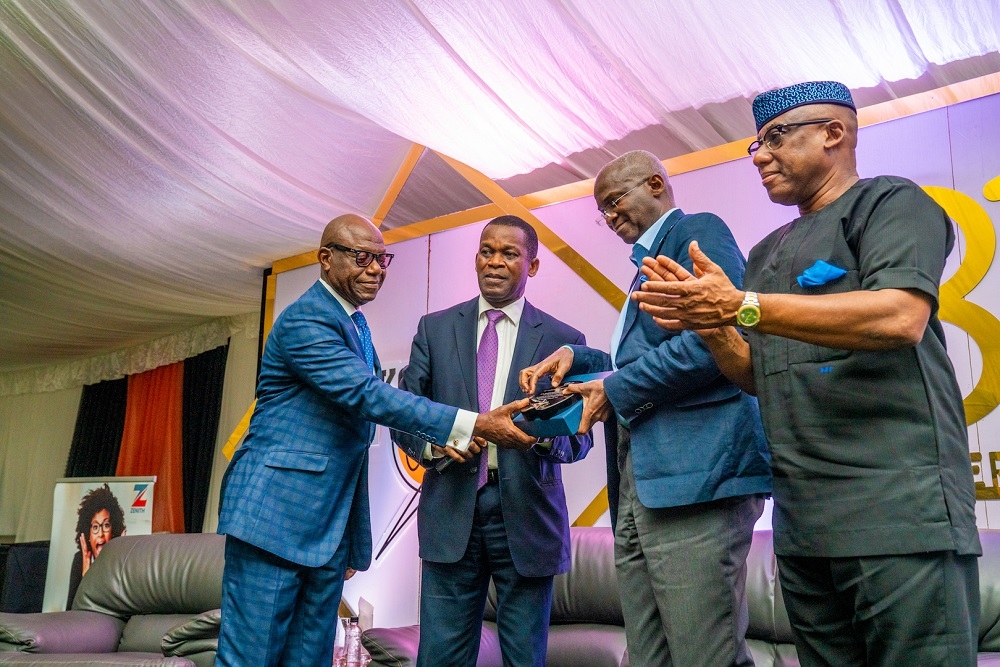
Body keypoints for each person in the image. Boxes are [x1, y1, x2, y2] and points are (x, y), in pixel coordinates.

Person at [632, 81, 981, 666]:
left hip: (899, 517)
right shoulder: (767, 250)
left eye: (774, 138)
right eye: (755, 146)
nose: (760, 157)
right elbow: (759, 374)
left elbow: (900, 316)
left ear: (833, 133)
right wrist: (714, 327)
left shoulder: (891, 203)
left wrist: (741, 307)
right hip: (804, 529)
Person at [216, 213, 538, 667]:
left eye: (382, 258)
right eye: (361, 257)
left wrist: (349, 540)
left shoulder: (354, 323)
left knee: (309, 658)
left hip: (324, 531)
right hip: (275, 519)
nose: (376, 269)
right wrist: (476, 424)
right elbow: (367, 395)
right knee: (252, 658)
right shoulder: (306, 320)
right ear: (326, 259)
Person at [519, 150, 772, 667]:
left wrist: (612, 390)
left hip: (697, 480)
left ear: (655, 184)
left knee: (706, 656)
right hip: (642, 484)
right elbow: (638, 362)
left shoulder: (697, 232)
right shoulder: (642, 268)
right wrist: (581, 358)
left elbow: (717, 337)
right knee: (647, 656)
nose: (611, 219)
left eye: (615, 203)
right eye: (603, 212)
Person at [392, 215, 593, 667]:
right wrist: (434, 445)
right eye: (487, 251)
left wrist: (535, 440)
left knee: (524, 658)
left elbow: (580, 439)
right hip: (451, 509)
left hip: (527, 518)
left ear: (533, 266)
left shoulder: (564, 342)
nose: (495, 262)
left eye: (509, 254)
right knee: (440, 657)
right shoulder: (434, 329)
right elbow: (403, 415)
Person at [66, 483, 126, 609]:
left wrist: (120, 558)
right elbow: (71, 611)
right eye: (95, 527)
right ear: (88, 533)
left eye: (106, 525)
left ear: (113, 529)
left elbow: (122, 609)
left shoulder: (122, 560)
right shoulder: (80, 560)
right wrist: (85, 580)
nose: (100, 534)